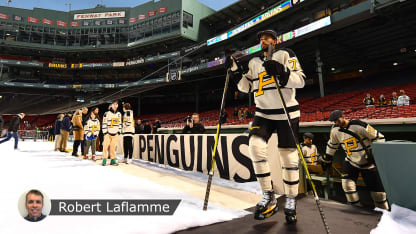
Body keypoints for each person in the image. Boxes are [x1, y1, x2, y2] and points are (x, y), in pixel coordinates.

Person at [227, 29, 306, 222]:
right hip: (263, 112)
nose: (264, 40)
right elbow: (246, 87)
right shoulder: (254, 62)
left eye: (268, 38)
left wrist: (281, 71)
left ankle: (290, 198)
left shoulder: (286, 54)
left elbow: (301, 80)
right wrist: (236, 72)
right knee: (255, 146)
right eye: (261, 39)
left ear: (275, 40)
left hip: (287, 111)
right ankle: (268, 194)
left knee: (288, 157)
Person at [321, 110, 389, 210]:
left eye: (337, 120)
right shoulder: (335, 131)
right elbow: (332, 145)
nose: (336, 123)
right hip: (351, 161)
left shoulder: (359, 125)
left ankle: (384, 213)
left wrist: (373, 153)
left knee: (378, 195)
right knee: (347, 185)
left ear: (343, 116)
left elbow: (379, 137)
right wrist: (327, 158)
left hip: (368, 163)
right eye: (334, 121)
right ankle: (356, 209)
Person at [102, 100, 122, 166]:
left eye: (116, 104)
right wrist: (105, 132)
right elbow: (104, 123)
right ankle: (104, 159)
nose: (115, 105)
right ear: (111, 105)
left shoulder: (119, 114)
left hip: (115, 133)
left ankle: (113, 159)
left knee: (113, 147)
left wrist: (119, 131)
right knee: (105, 146)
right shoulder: (106, 113)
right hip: (108, 133)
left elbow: (120, 123)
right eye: (114, 104)